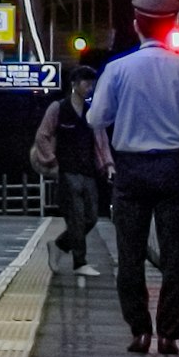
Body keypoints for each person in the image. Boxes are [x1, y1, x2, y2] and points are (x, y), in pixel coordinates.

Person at [88, 0, 179, 355]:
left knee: (129, 254)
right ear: (173, 25)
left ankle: (139, 331)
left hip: (131, 170)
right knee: (175, 256)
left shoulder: (117, 69)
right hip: (173, 167)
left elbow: (97, 118)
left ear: (135, 25)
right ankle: (169, 335)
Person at [30, 68, 107, 279]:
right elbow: (42, 135)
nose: (90, 88)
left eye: (92, 84)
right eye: (86, 83)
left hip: (88, 170)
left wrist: (107, 164)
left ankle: (58, 246)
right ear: (74, 83)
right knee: (76, 217)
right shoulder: (58, 108)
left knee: (91, 217)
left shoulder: (93, 111)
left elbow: (101, 141)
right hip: (67, 170)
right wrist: (51, 160)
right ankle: (79, 262)